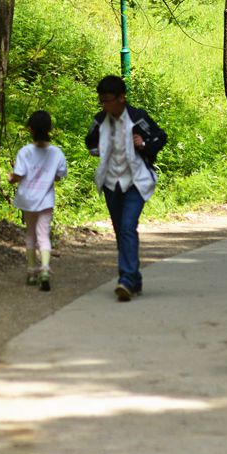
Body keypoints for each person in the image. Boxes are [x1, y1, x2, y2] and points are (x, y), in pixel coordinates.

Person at [86, 74, 167, 301]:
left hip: (135, 181)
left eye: (108, 100)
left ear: (121, 98)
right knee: (120, 229)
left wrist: (143, 144)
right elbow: (89, 143)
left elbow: (160, 137)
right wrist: (100, 149)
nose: (105, 105)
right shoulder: (100, 120)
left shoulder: (137, 118)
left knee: (128, 227)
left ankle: (127, 279)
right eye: (102, 101)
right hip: (111, 182)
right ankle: (134, 277)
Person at [10, 110, 68, 292]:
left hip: (27, 199)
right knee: (43, 235)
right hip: (45, 200)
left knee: (30, 234)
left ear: (30, 129)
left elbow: (18, 176)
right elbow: (59, 177)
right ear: (50, 128)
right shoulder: (56, 153)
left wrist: (10, 178)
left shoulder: (25, 152)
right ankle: (44, 269)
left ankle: (31, 270)